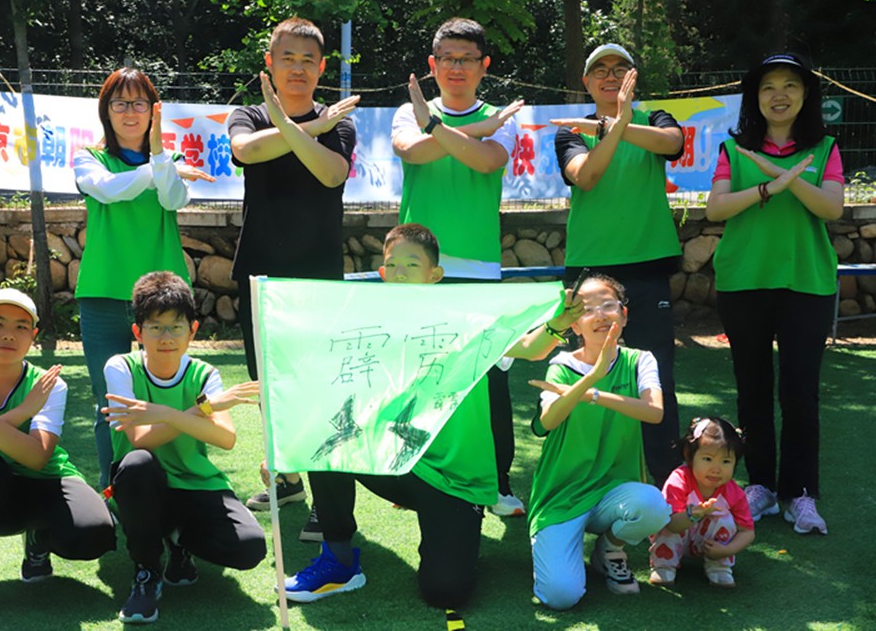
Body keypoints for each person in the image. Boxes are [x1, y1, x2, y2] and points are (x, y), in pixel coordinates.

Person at [284, 223, 582, 610]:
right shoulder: (372, 323)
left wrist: (557, 325)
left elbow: (530, 348)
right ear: (382, 272)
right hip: (396, 462)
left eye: (412, 264)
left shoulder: (468, 319)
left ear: (435, 275)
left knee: (445, 592)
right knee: (327, 439)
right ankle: (338, 560)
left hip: (455, 479)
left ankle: (449, 538)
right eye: (393, 265)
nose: (401, 273)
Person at [391, 17, 526, 517]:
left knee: (488, 381)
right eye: (447, 58)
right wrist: (463, 131)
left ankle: (498, 483)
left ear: (484, 65)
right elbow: (413, 151)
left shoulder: (501, 116)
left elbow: (486, 161)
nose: (456, 67)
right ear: (432, 64)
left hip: (477, 267)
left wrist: (440, 128)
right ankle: (419, 476)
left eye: (467, 59)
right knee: (420, 377)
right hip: (415, 268)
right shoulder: (408, 112)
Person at [227, 17, 358, 530]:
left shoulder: (337, 120)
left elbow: (331, 173)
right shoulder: (248, 114)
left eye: (308, 60)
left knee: (320, 388)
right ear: (270, 63)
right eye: (288, 58)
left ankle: (329, 504)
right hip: (259, 274)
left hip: (317, 277)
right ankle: (286, 479)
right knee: (268, 385)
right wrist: (304, 129)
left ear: (322, 68)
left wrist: (305, 128)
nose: (298, 68)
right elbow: (246, 151)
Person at [706, 51, 843, 536]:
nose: (778, 95)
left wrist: (787, 178)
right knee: (753, 389)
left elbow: (831, 208)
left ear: (805, 95)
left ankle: (800, 493)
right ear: (755, 98)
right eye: (768, 86)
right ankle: (761, 484)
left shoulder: (825, 148)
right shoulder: (733, 149)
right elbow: (716, 208)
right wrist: (769, 185)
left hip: (807, 282)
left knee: (800, 392)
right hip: (743, 282)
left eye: (790, 85)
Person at [0, 288, 116, 628]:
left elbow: (37, 458)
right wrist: (20, 413)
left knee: (94, 533)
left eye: (20, 327)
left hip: (46, 481)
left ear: (33, 335)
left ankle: (38, 538)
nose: (8, 335)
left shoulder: (48, 384)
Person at [551, 43, 684, 488]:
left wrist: (619, 122)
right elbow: (586, 175)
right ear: (587, 82)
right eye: (600, 70)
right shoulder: (572, 132)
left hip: (647, 267)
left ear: (633, 78)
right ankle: (587, 478)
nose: (610, 76)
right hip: (590, 273)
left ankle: (665, 483)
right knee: (586, 374)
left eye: (619, 68)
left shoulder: (655, 118)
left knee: (656, 378)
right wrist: (616, 126)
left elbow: (672, 143)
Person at [73, 67, 213, 488]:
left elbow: (173, 199)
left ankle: (182, 483)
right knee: (112, 403)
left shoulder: (169, 161)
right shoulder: (89, 158)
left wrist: (162, 161)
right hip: (103, 292)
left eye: (139, 103)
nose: (130, 112)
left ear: (154, 111)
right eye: (120, 103)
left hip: (164, 298)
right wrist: (161, 165)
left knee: (173, 394)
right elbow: (108, 189)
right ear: (106, 111)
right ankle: (114, 489)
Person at [101, 271, 266, 624]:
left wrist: (166, 413)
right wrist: (201, 409)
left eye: (176, 327)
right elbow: (140, 438)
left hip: (195, 483)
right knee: (138, 464)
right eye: (156, 327)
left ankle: (178, 539)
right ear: (138, 332)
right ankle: (146, 570)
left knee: (249, 548)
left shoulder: (205, 374)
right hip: (143, 485)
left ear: (192, 330)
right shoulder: (121, 368)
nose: (166, 337)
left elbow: (226, 438)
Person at [527, 274, 670, 610]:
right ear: (575, 325)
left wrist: (592, 393)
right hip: (562, 495)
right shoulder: (561, 366)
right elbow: (546, 423)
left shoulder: (640, 361)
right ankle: (564, 542)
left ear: (624, 315)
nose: (600, 315)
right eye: (588, 310)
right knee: (560, 596)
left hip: (614, 492)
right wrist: (589, 378)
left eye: (608, 306)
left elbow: (654, 412)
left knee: (653, 506)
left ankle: (609, 549)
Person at [649, 416, 755, 588]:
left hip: (711, 546)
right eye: (707, 459)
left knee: (725, 519)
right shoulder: (679, 480)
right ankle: (664, 564)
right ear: (689, 456)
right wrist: (692, 515)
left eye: (726, 461)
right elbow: (671, 525)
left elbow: (747, 531)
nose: (716, 469)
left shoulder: (733, 492)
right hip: (677, 534)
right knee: (665, 518)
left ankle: (718, 566)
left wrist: (727, 550)